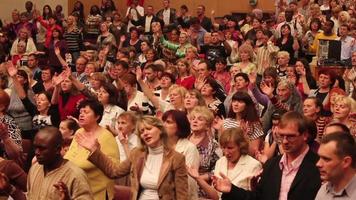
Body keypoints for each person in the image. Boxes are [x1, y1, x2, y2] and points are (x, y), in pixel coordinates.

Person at [213, 111, 321, 200]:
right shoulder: (272, 165)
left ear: (305, 135)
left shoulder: (319, 166)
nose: (284, 141)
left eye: (290, 136)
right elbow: (258, 197)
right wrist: (232, 189)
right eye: (281, 135)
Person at [76, 115, 188, 200]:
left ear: (160, 130)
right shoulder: (137, 154)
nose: (145, 133)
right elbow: (114, 172)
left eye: (149, 129)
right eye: (142, 131)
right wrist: (95, 151)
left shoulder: (177, 158)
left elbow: (182, 195)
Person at [64, 99, 120, 200]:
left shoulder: (106, 136)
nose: (81, 115)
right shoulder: (79, 132)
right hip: (77, 191)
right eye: (80, 112)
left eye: (86, 112)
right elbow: (71, 156)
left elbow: (114, 168)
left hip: (98, 194)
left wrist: (95, 152)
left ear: (97, 116)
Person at [188, 128, 262, 200]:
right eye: (223, 147)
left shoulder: (253, 165)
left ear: (241, 146)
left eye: (230, 148)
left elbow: (253, 197)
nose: (226, 152)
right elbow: (216, 197)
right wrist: (198, 178)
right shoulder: (220, 162)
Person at [26, 126, 93, 200]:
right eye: (35, 147)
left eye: (42, 149)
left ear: (57, 149)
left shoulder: (75, 175)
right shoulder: (34, 169)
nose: (37, 152)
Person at [315, 132, 356, 199]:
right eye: (319, 157)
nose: (318, 164)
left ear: (346, 162)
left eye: (326, 159)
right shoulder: (324, 190)